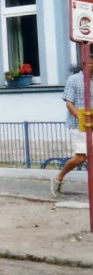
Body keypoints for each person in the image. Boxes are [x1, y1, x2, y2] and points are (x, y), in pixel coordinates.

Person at [53, 61, 91, 196]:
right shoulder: (74, 79)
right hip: (78, 124)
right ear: (86, 63)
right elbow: (69, 103)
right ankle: (58, 178)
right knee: (80, 158)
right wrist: (81, 118)